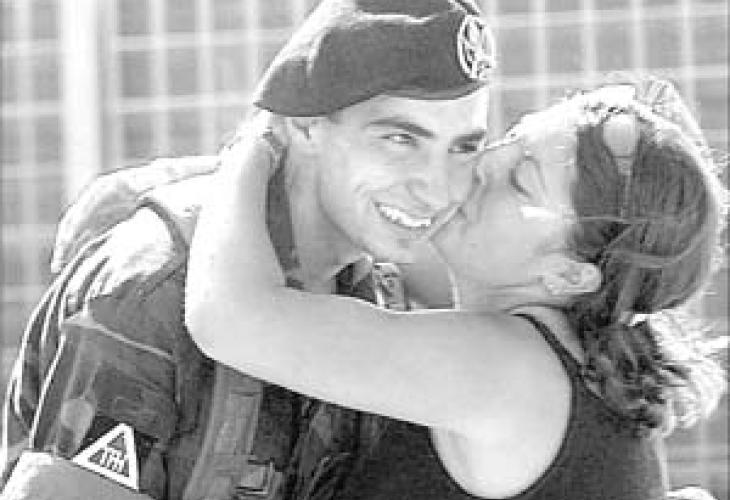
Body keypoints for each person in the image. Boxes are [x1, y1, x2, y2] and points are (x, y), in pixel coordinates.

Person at [0, 1, 495, 498]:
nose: (437, 188)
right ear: (306, 125)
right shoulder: (158, 284)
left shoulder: (377, 294)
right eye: (400, 139)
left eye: (463, 148)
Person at [184, 79, 728, 500]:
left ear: (569, 275)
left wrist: (262, 141)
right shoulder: (576, 351)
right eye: (510, 140)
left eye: (520, 181)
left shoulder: (507, 369)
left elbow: (232, 320)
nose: (485, 164)